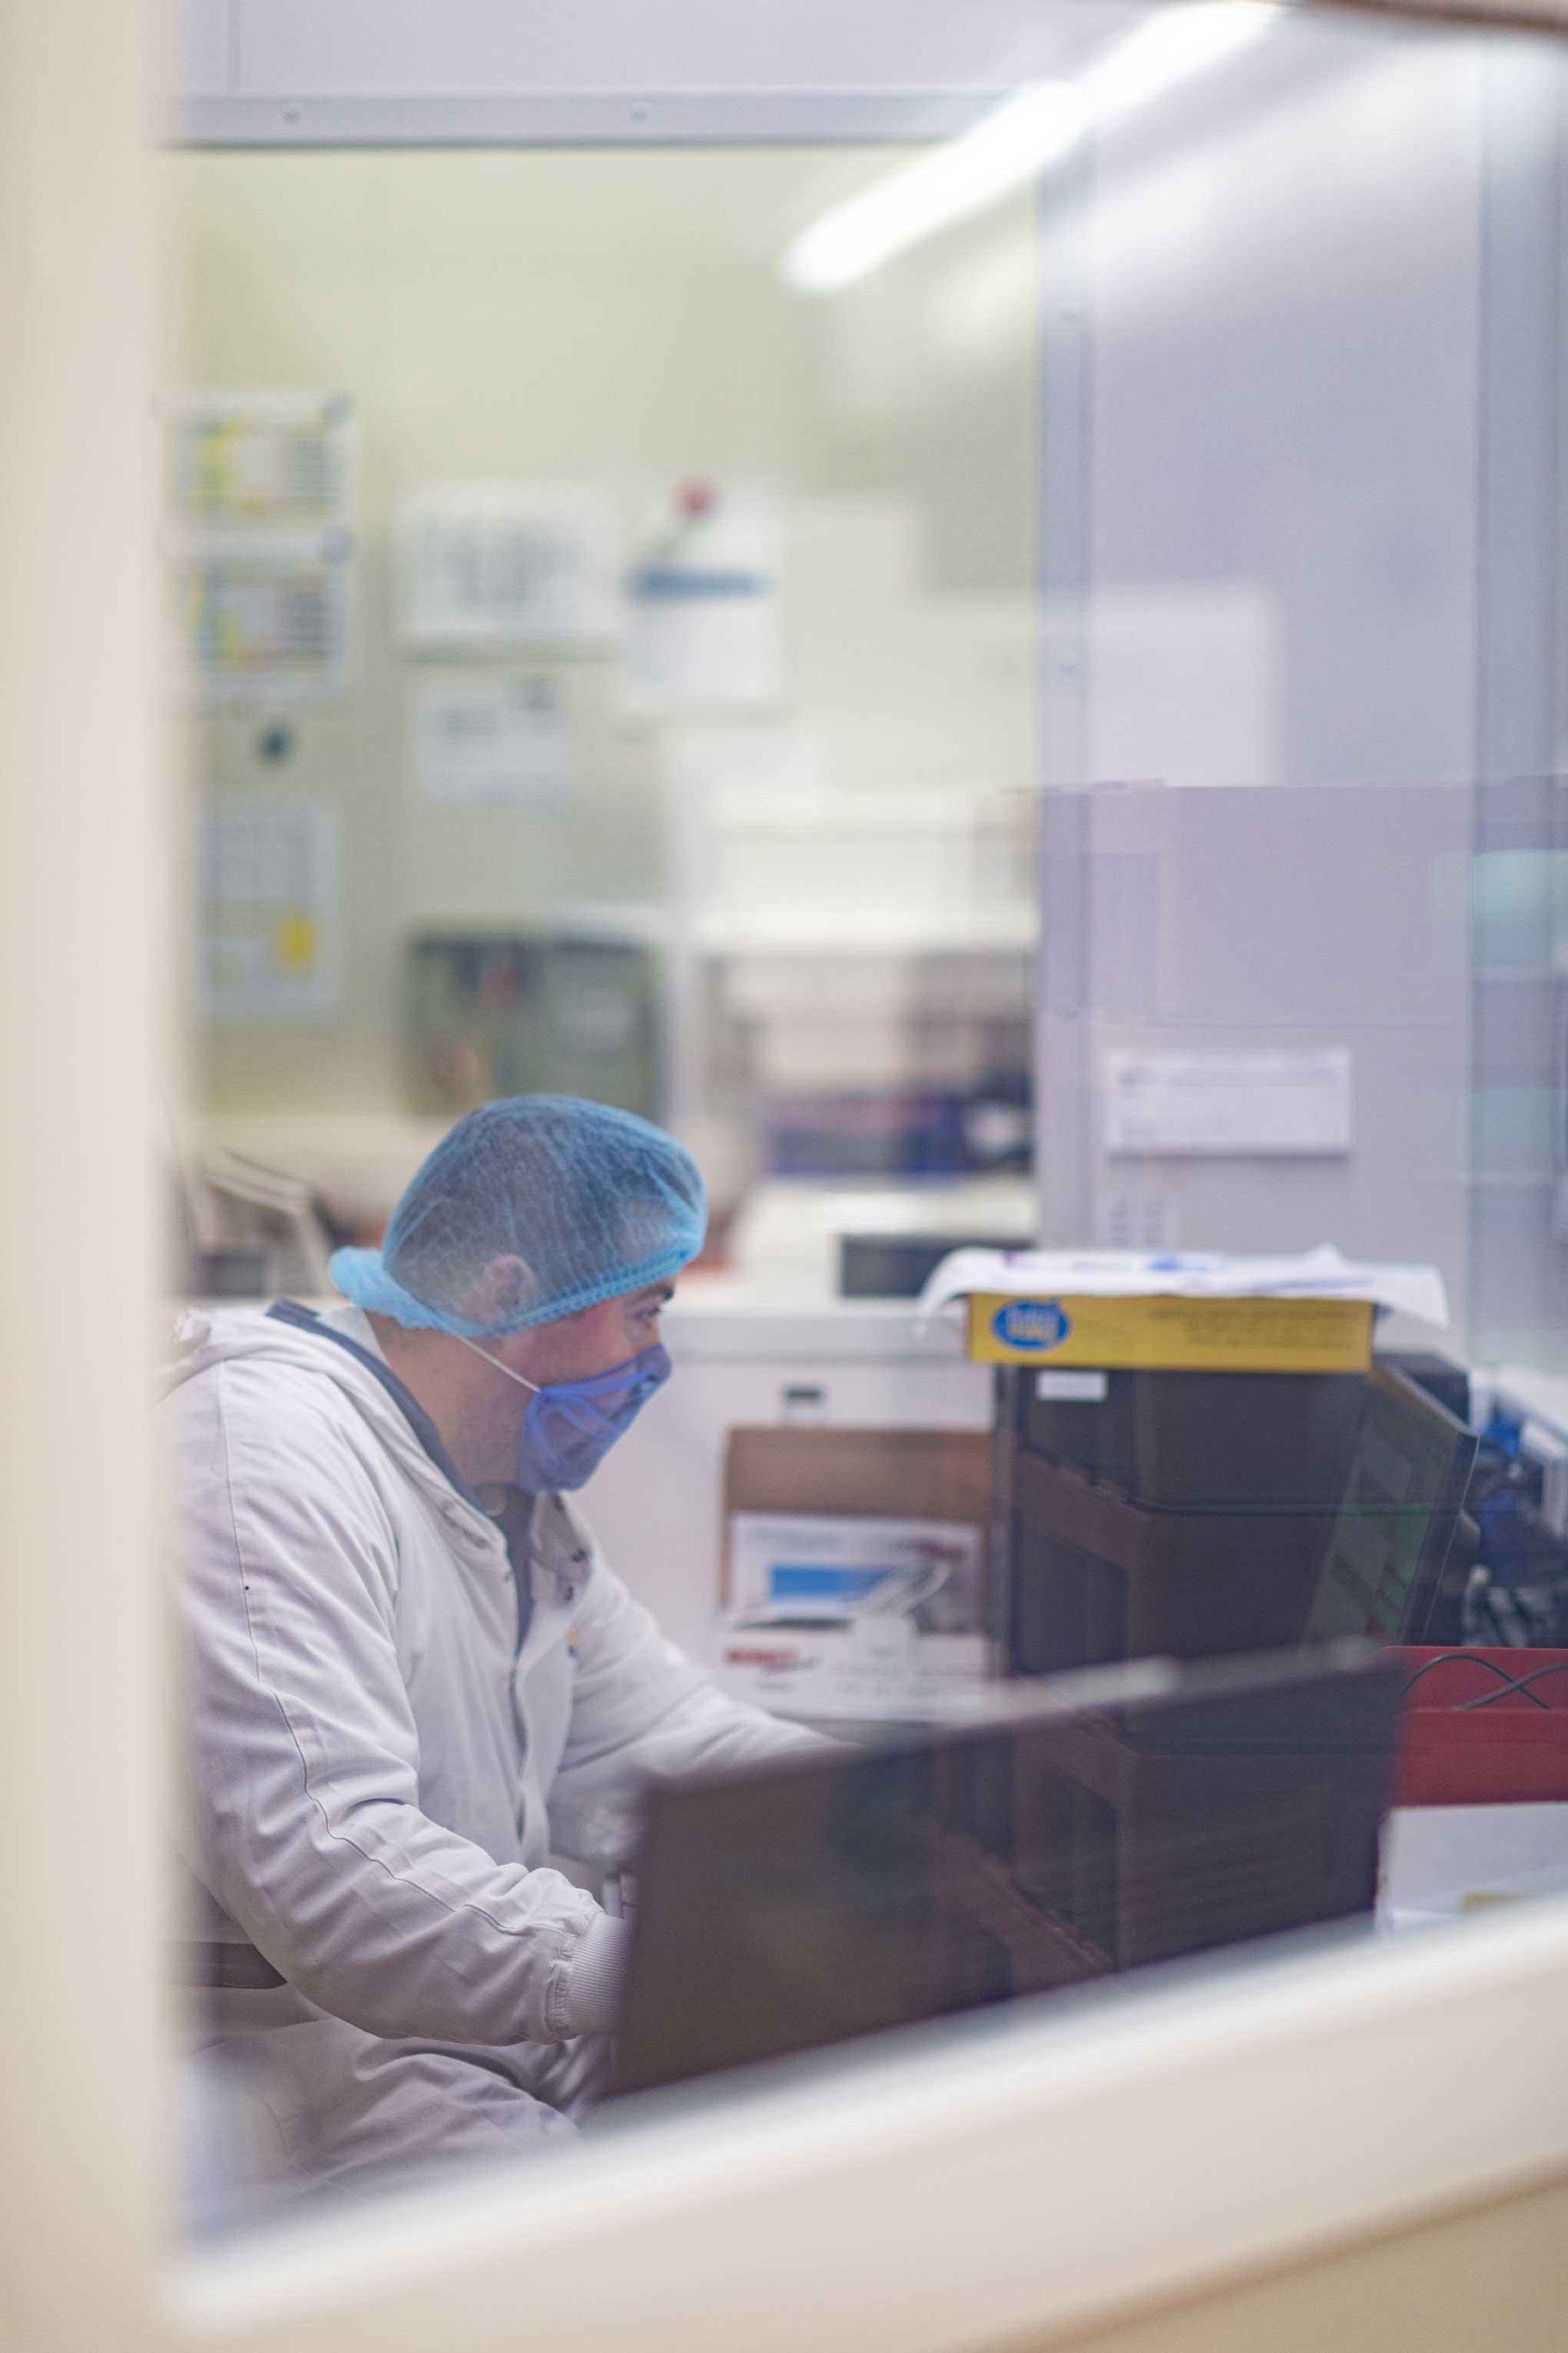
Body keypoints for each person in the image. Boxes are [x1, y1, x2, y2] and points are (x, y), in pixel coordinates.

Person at [167, 1094, 817, 2205]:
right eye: (645, 1311)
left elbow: (662, 1735)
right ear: (508, 1293)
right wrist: (653, 1964)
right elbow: (336, 1867)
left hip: (469, 2017)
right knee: (601, 2238)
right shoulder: (263, 1461)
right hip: (304, 2053)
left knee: (793, 2117)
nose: (656, 1361)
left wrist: (900, 1824)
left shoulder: (499, 1494)